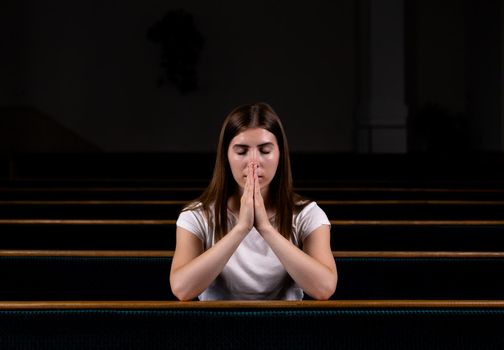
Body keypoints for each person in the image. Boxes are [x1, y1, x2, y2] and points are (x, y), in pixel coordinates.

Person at [170, 102, 337, 301]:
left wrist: (265, 227)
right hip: (215, 328)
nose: (253, 162)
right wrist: (241, 228)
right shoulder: (196, 215)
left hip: (286, 326)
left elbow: (324, 288)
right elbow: (182, 289)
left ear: (280, 155)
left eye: (265, 151)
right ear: (226, 156)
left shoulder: (307, 214)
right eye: (241, 151)